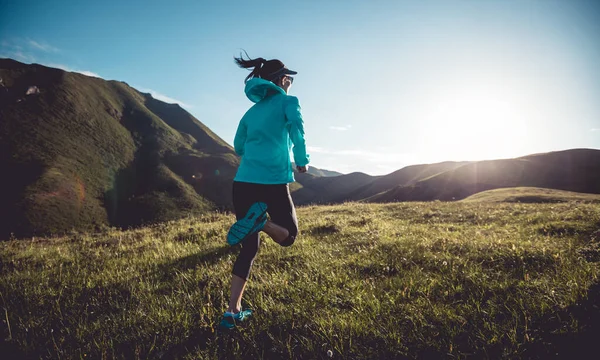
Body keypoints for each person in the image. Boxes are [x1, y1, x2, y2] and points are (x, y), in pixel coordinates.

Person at [220, 52, 310, 329]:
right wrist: (302, 161)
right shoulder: (288, 101)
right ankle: (263, 222)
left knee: (249, 248)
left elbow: (238, 146)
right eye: (289, 78)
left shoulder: (250, 112)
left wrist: (257, 149)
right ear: (283, 80)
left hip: (244, 181)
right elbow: (298, 130)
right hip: (271, 181)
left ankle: (232, 312)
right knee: (288, 237)